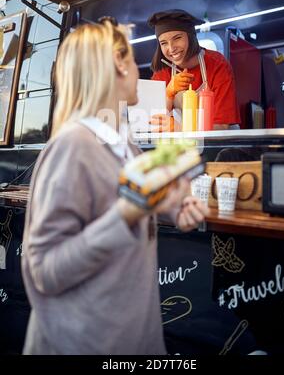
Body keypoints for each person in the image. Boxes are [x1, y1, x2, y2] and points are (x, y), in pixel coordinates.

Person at [21, 20, 207, 355]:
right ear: (120, 64)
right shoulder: (72, 146)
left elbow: (132, 203)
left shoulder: (125, 145)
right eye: (133, 60)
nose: (139, 70)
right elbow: (44, 272)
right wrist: (125, 214)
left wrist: (175, 209)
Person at [148, 9, 241, 131]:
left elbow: (222, 126)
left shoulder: (217, 64)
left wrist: (180, 129)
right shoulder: (162, 72)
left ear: (191, 37)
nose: (171, 48)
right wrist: (168, 94)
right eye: (164, 43)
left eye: (177, 38)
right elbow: (151, 123)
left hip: (220, 145)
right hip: (183, 146)